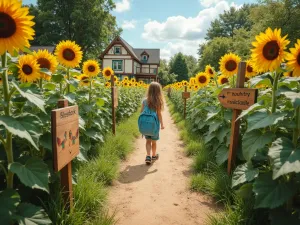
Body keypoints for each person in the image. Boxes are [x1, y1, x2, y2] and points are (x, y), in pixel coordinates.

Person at [140, 82, 165, 164]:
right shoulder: (158, 102)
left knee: (148, 141)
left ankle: (148, 156)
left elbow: (141, 112)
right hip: (154, 126)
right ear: (158, 92)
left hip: (146, 126)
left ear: (149, 90)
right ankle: (154, 155)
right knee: (154, 142)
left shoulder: (144, 101)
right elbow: (159, 114)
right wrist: (162, 124)